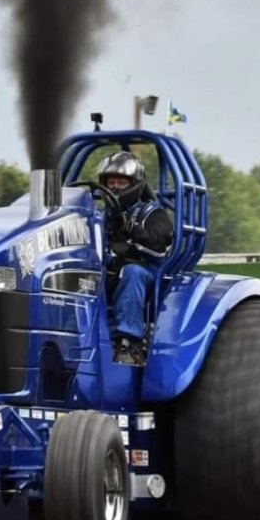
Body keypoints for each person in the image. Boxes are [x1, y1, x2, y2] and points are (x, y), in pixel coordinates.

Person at [98, 151, 173, 364]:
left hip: (147, 274)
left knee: (132, 272)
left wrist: (135, 233)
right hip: (110, 271)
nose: (113, 187)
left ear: (135, 184)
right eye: (110, 181)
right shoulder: (101, 216)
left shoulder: (152, 213)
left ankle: (128, 343)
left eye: (120, 182)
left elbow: (160, 247)